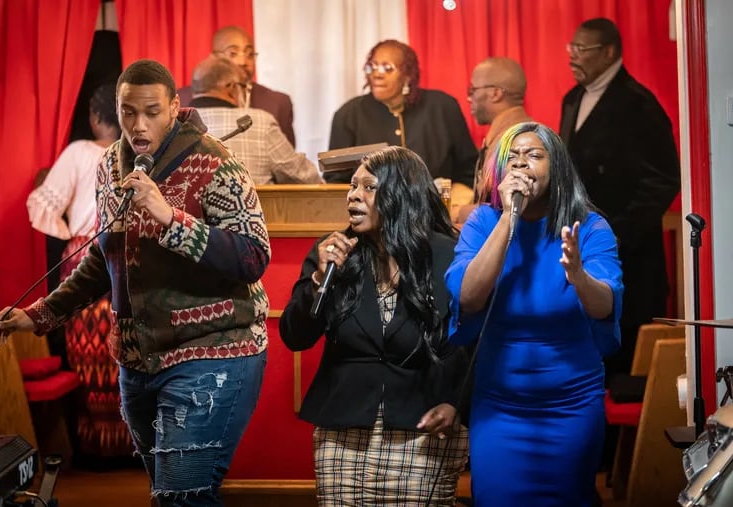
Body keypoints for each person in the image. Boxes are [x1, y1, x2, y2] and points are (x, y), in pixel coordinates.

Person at [0, 59, 271, 506]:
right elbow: (105, 259)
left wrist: (170, 218)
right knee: (170, 496)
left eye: (152, 111)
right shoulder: (109, 167)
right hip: (138, 361)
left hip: (214, 351)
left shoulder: (217, 164)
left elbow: (253, 256)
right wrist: (39, 315)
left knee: (181, 497)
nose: (138, 124)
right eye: (127, 112)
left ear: (174, 107)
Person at [279, 146, 469, 505]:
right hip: (342, 431)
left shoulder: (448, 255)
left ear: (401, 192)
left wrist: (456, 402)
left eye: (368, 187)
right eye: (352, 186)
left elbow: (472, 342)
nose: (353, 195)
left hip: (422, 427)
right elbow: (295, 336)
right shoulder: (335, 254)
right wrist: (320, 279)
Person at [445, 122, 623, 506]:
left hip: (571, 407)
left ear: (557, 166)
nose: (522, 162)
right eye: (512, 156)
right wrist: (509, 218)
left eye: (534, 154)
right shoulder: (483, 223)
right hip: (500, 408)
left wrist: (578, 276)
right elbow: (468, 297)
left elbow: (606, 304)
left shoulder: (589, 227)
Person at [559, 17, 680, 473]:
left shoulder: (638, 104)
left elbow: (662, 181)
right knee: (586, 355)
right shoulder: (573, 98)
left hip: (629, 259)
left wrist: (613, 237)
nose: (572, 55)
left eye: (582, 49)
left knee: (621, 358)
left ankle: (617, 469)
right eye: (571, 47)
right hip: (579, 252)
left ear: (610, 52)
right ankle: (586, 458)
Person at [26, 83, 133, 459]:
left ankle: (97, 447)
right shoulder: (136, 153)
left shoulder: (78, 153)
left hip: (83, 258)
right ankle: (133, 445)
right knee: (127, 346)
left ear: (93, 116)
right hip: (128, 259)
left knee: (89, 350)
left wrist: (70, 235)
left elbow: (40, 205)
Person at [328, 39, 477, 198]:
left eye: (387, 68)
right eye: (373, 66)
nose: (377, 74)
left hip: (434, 212)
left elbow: (469, 169)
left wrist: (452, 204)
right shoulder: (348, 115)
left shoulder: (443, 107)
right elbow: (336, 180)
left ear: (407, 76)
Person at [190, 56, 322, 184]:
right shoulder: (259, 122)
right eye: (243, 87)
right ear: (232, 88)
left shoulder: (176, 123)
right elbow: (301, 175)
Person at [178, 25, 296, 146]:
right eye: (233, 53)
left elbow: (288, 159)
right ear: (213, 57)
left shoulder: (278, 102)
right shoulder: (180, 100)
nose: (243, 62)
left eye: (250, 54)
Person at [455, 57, 533, 225]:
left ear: (495, 93)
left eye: (473, 90)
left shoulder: (517, 140)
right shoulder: (509, 133)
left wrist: (457, 212)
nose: (469, 98)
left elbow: (507, 209)